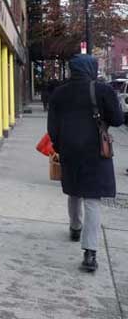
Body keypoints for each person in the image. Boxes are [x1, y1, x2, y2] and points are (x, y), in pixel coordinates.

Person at [48, 54, 124, 272]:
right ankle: (90, 253)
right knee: (92, 199)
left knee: (74, 190)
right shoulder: (102, 90)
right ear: (91, 68)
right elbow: (118, 119)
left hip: (69, 150)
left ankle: (75, 226)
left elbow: (52, 127)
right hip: (95, 151)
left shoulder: (60, 92)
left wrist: (60, 146)